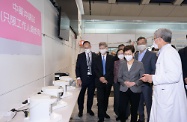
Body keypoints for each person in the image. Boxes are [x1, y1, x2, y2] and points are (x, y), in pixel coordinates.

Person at [140, 28, 187, 122]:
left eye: (154, 39)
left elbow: (174, 76)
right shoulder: (163, 52)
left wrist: (152, 78)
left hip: (169, 97)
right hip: (164, 95)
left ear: (160, 39)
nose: (153, 41)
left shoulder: (169, 53)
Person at [118, 45, 145, 122]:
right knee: (122, 109)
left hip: (135, 89)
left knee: (134, 109)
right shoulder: (122, 63)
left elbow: (142, 77)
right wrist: (124, 82)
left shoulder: (140, 64)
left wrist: (134, 83)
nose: (127, 56)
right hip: (124, 89)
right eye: (125, 54)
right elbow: (119, 77)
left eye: (129, 54)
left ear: (133, 54)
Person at [135, 37, 157, 122]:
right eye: (139, 43)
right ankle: (141, 118)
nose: (141, 45)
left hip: (147, 84)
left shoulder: (151, 54)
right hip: (137, 84)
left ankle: (149, 119)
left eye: (142, 43)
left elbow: (154, 69)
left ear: (146, 43)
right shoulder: (136, 55)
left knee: (148, 103)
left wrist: (149, 79)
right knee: (139, 103)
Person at [75, 41, 96, 117]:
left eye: (88, 47)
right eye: (85, 48)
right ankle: (80, 110)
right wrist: (78, 78)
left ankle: (89, 109)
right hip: (83, 79)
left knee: (90, 95)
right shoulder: (80, 56)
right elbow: (77, 68)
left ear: (90, 47)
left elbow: (97, 68)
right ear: (83, 48)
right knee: (81, 96)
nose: (86, 49)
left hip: (92, 79)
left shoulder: (95, 55)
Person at [94, 42, 114, 122]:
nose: (102, 49)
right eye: (100, 48)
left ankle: (104, 112)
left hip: (108, 81)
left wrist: (105, 78)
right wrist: (101, 77)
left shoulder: (111, 58)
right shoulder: (96, 58)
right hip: (99, 82)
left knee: (106, 98)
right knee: (100, 99)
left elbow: (111, 70)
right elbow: (95, 69)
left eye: (103, 48)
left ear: (106, 48)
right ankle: (100, 117)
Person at [113, 49, 124, 121]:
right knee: (117, 99)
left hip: (124, 83)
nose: (120, 54)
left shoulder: (128, 62)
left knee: (124, 100)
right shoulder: (115, 62)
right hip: (116, 83)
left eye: (122, 53)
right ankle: (118, 114)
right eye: (119, 53)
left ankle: (125, 114)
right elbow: (113, 72)